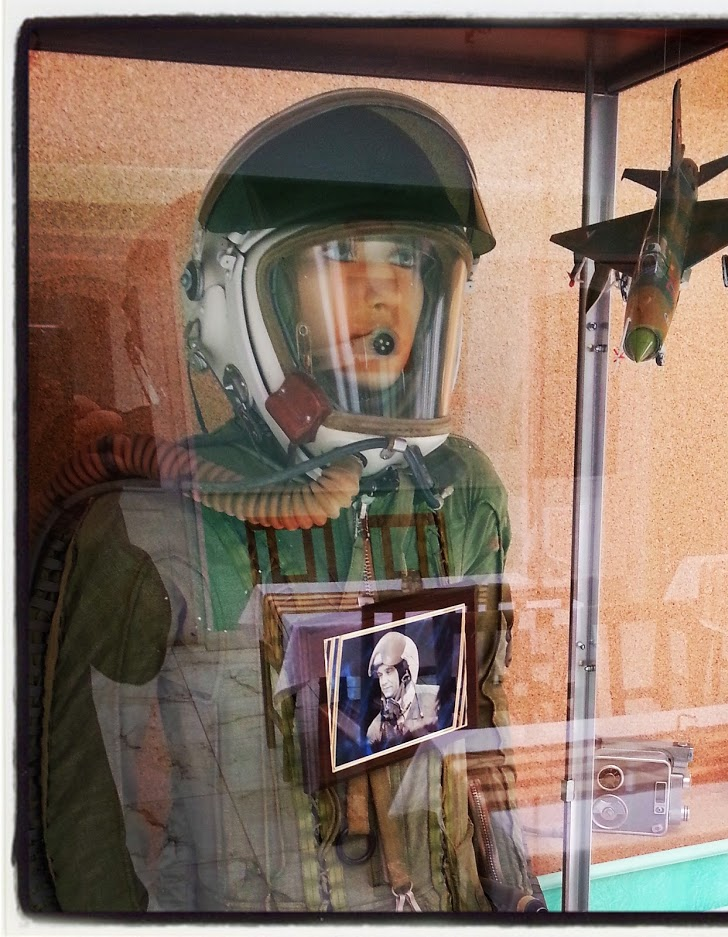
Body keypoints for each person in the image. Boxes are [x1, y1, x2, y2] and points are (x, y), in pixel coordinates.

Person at [31, 89, 545, 914]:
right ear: (243, 295)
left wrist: (514, 898)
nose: (381, 296)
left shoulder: (460, 496)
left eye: (404, 261)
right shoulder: (155, 530)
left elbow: (481, 728)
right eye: (341, 260)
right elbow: (91, 830)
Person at [365, 631, 438, 749]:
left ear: (405, 673)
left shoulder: (436, 700)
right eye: (380, 675)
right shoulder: (375, 729)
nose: (383, 682)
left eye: (389, 672)